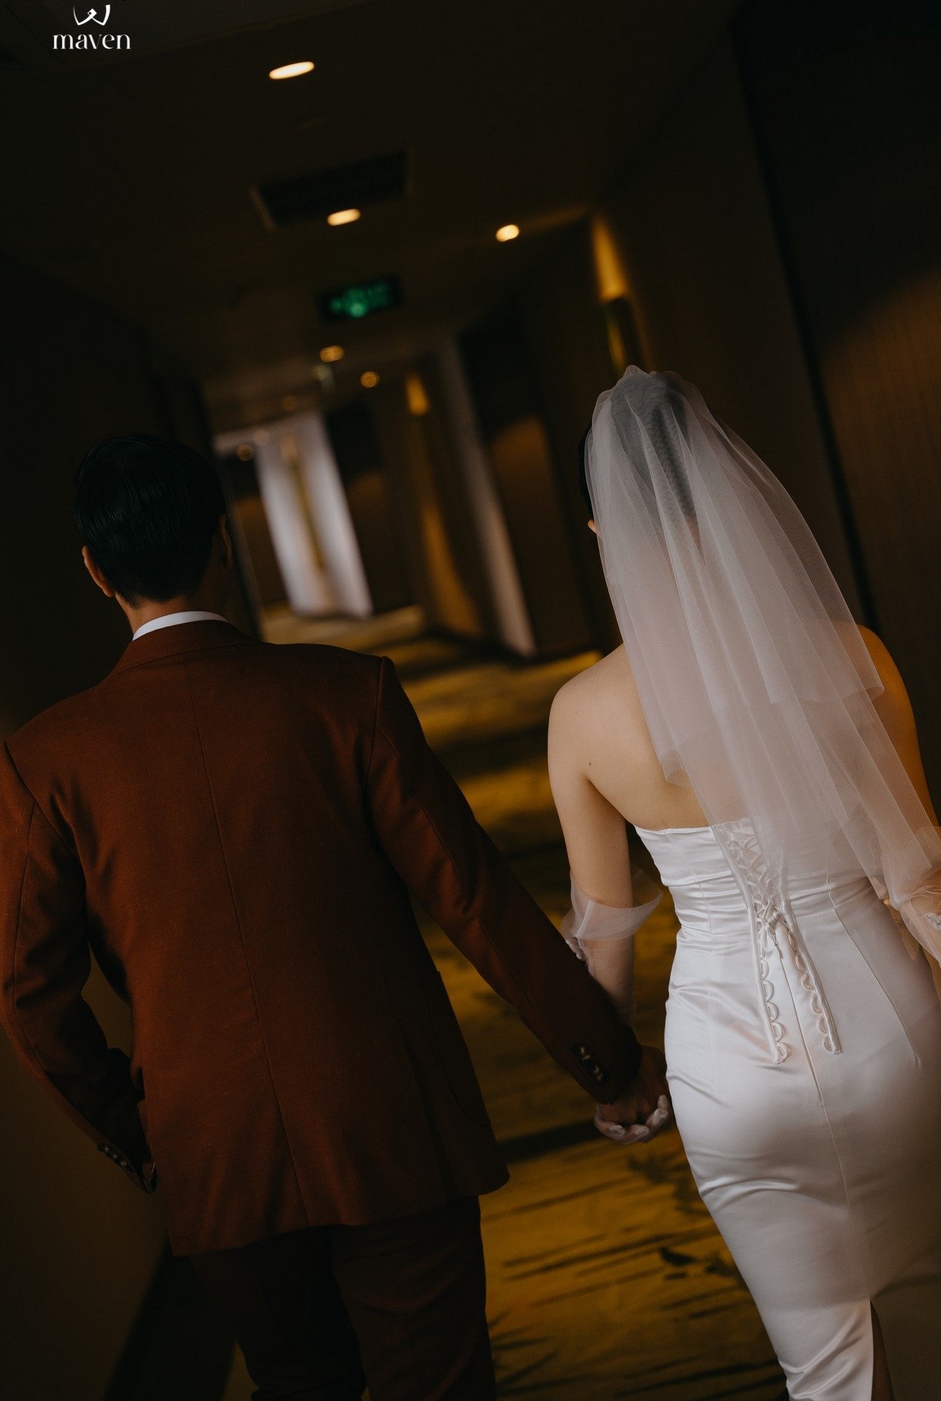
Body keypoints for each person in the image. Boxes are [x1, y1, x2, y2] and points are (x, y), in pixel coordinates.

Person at [0, 433, 668, 1401]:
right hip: (389, 1123)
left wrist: (144, 1130)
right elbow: (472, 898)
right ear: (223, 544)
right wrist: (605, 1061)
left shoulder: (45, 761)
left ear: (96, 571)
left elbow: (30, 1000)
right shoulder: (347, 694)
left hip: (214, 1151)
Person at [548, 368, 941, 1401]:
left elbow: (605, 929)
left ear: (605, 534)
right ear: (735, 507)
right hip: (897, 1035)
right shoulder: (851, 659)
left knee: (820, 1360)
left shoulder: (582, 713)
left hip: (728, 1067)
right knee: (936, 1294)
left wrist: (614, 1075)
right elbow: (919, 875)